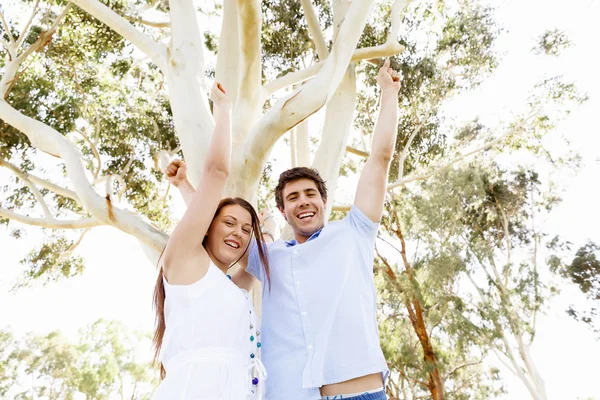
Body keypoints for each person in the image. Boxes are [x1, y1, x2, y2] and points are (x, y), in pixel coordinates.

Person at [169, 59, 402, 400]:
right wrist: (183, 186)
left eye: (311, 194)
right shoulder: (268, 257)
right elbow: (215, 227)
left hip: (359, 393)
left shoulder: (354, 233)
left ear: (325, 201)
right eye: (293, 197)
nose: (303, 201)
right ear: (283, 210)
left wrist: (389, 93)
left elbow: (379, 160)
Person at [151, 83, 271, 400]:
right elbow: (217, 172)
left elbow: (259, 258)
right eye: (229, 223)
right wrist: (224, 109)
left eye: (247, 229)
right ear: (207, 227)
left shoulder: (232, 285)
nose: (239, 233)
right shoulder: (185, 264)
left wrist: (267, 226)